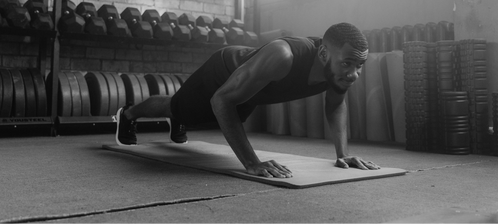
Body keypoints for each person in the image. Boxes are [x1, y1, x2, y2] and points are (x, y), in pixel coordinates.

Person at [115, 22, 380, 178]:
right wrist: (251, 162)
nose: (354, 74)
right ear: (323, 54)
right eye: (348, 64)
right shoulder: (283, 56)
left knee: (217, 116)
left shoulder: (338, 72)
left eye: (360, 65)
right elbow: (221, 100)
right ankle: (128, 114)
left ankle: (181, 119)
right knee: (179, 108)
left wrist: (343, 154)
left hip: (256, 89)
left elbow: (335, 105)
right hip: (223, 73)